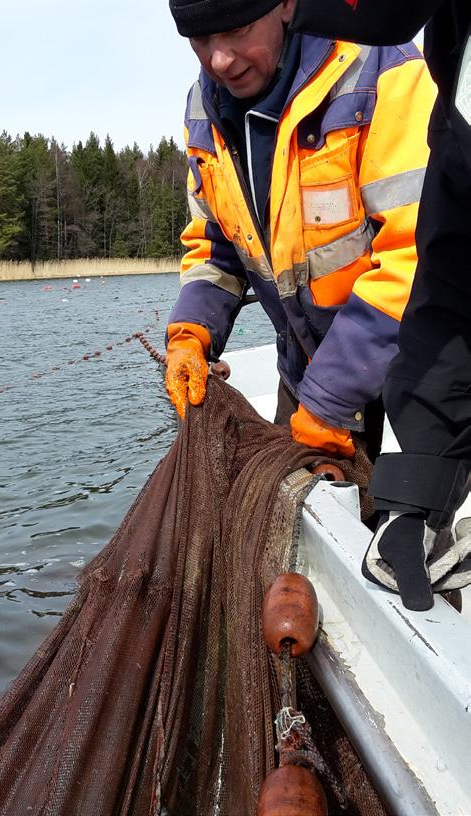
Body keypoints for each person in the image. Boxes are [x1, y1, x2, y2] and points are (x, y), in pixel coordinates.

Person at [165, 0, 435, 467]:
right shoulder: (201, 108)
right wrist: (190, 333)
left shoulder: (382, 67)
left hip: (418, 375)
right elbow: (215, 245)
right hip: (305, 376)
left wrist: (332, 396)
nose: (220, 60)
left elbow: (417, 258)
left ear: (287, 4)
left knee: (417, 523)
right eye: (201, 39)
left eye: (238, 29)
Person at [293, 0, 471, 611]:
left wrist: (330, 396)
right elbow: (446, 280)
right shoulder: (454, 66)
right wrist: (418, 490)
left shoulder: (395, 74)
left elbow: (404, 262)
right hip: (331, 384)